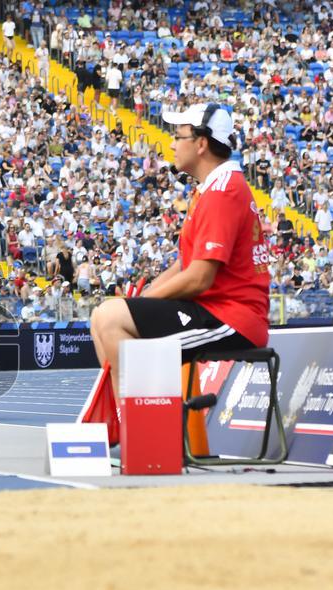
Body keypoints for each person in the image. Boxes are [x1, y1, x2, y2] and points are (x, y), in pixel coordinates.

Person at [90, 104, 270, 399]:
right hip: (216, 309)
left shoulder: (222, 191)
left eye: (178, 136)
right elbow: (186, 263)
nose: (172, 144)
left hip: (232, 317)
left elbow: (199, 278)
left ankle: (146, 425)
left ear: (201, 143)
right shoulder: (211, 188)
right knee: (104, 316)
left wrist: (143, 302)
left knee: (111, 317)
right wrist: (140, 302)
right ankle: (138, 423)